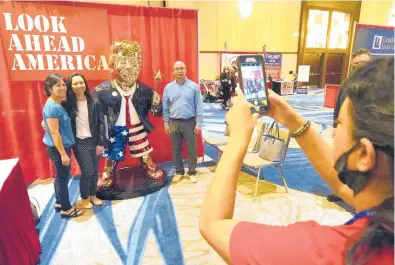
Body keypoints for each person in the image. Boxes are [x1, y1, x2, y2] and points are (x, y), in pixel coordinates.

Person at [200, 58, 394, 265]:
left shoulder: (329, 252)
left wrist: (238, 138)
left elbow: (213, 224)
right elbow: (342, 185)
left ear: (364, 155)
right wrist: (292, 121)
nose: (333, 131)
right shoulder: (384, 201)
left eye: (339, 124)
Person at [92, 39, 164, 190]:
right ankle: (109, 170)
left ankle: (147, 163)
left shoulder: (145, 91)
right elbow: (94, 114)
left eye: (134, 62)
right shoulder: (101, 91)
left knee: (142, 148)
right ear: (114, 65)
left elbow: (156, 113)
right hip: (116, 127)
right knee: (113, 151)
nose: (130, 67)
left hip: (137, 126)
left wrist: (156, 103)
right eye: (124, 62)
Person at [328, 48, 372, 203]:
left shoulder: (377, 87)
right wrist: (335, 125)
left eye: (363, 63)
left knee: (361, 168)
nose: (359, 66)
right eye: (356, 64)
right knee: (342, 163)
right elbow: (338, 105)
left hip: (366, 134)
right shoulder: (346, 84)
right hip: (346, 132)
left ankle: (359, 197)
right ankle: (341, 192)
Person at [42, 73, 83, 218]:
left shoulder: (58, 103)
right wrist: (63, 154)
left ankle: (59, 201)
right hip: (58, 148)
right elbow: (54, 132)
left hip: (59, 147)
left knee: (60, 177)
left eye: (64, 84)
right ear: (49, 88)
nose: (62, 88)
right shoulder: (52, 107)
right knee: (63, 179)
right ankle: (66, 208)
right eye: (58, 85)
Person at [64, 73, 105, 209]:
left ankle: (93, 195)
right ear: (71, 86)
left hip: (94, 141)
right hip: (79, 142)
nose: (79, 86)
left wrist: (100, 143)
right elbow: (58, 118)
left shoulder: (94, 101)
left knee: (95, 171)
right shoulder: (67, 104)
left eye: (81, 82)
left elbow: (101, 123)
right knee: (87, 171)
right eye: (75, 84)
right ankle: (85, 197)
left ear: (85, 84)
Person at [163, 61, 203, 183]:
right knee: (176, 149)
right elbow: (165, 107)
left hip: (189, 122)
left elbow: (199, 106)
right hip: (173, 122)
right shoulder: (168, 88)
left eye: (182, 68)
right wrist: (166, 123)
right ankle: (179, 171)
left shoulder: (194, 87)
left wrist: (199, 123)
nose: (179, 71)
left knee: (192, 149)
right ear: (173, 71)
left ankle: (192, 172)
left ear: (186, 70)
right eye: (177, 69)